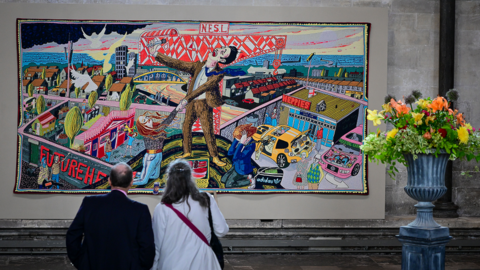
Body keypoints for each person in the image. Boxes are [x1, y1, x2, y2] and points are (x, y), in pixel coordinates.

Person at [148, 40, 239, 167]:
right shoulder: (198, 66)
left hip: (204, 104)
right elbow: (178, 64)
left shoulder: (218, 73)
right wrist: (156, 54)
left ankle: (214, 157)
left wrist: (186, 99)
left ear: (222, 60)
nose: (219, 49)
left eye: (223, 51)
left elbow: (204, 87)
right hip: (191, 103)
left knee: (208, 130)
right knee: (186, 126)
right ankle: (187, 152)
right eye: (222, 47)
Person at [66, 163, 155, 270]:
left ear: (109, 181)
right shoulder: (141, 210)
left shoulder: (89, 203)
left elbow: (72, 236)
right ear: (131, 182)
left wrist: (81, 262)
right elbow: (147, 247)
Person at [151, 159, 228, 270]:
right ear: (190, 178)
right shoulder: (206, 199)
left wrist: (153, 267)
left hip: (171, 264)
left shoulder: (162, 208)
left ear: (170, 180)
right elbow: (222, 230)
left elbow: (157, 245)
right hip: (204, 263)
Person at [133, 109, 179, 186]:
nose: (148, 119)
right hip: (150, 157)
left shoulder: (155, 129)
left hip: (158, 155)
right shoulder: (148, 132)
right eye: (144, 120)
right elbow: (167, 122)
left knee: (155, 176)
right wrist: (176, 109)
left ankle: (135, 174)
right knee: (143, 181)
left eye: (147, 118)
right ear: (143, 126)